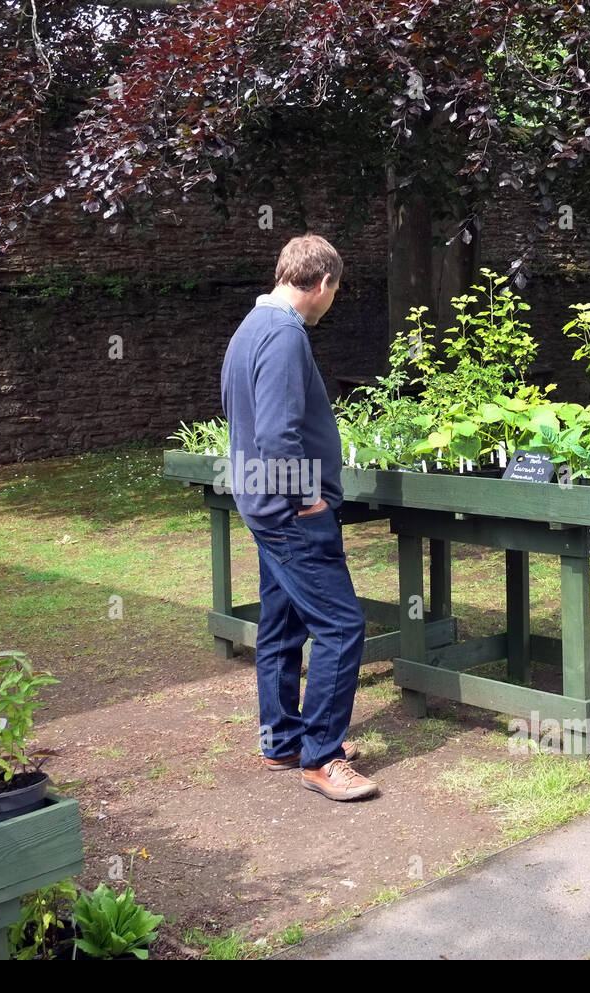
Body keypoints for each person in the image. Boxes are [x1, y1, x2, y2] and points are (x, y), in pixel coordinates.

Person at [219, 234, 378, 802]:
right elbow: (276, 433)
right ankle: (322, 759)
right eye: (335, 290)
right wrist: (306, 497)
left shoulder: (249, 328)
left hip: (263, 504)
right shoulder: (285, 335)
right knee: (340, 627)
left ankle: (283, 740)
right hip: (290, 512)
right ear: (324, 283)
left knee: (282, 627)